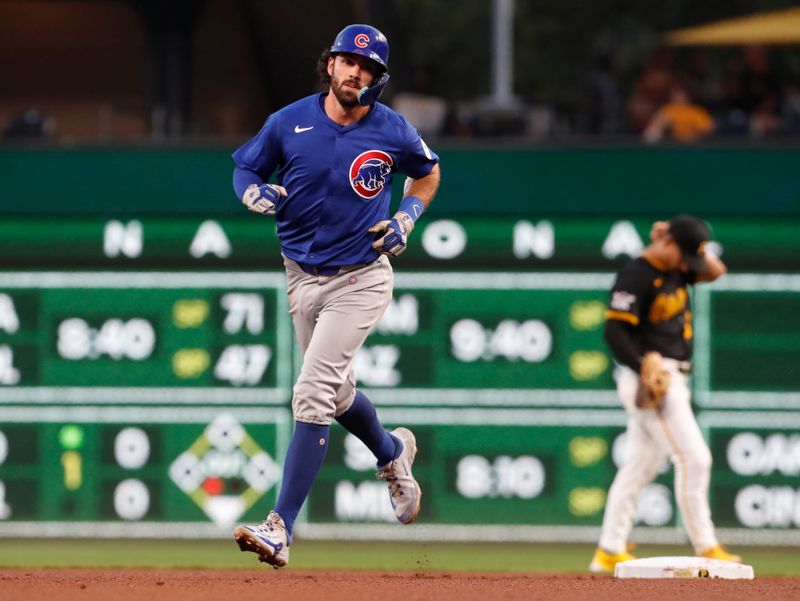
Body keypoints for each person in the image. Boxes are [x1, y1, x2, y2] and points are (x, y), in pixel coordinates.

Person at [229, 23, 441, 569]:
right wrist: (252, 189)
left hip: (362, 276)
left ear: (378, 78)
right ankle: (393, 453)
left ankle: (280, 528)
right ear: (330, 65)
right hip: (301, 275)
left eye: (369, 68)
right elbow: (245, 165)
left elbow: (428, 172)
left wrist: (407, 216)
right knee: (339, 395)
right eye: (350, 62)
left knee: (312, 392)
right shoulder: (289, 120)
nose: (357, 73)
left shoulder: (391, 129)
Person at [589, 214, 740, 574]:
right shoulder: (636, 274)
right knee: (695, 458)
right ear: (669, 244)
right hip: (652, 381)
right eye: (683, 252)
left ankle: (609, 549)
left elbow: (716, 271)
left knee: (639, 467)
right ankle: (707, 545)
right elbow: (614, 332)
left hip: (671, 377)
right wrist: (643, 366)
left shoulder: (678, 267)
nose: (688, 263)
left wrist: (690, 248)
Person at [642, 85, 714, 144]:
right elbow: (654, 127)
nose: (678, 98)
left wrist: (693, 133)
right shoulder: (667, 110)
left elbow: (708, 129)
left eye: (681, 95)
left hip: (693, 145)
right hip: (671, 143)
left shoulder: (696, 111)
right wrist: (665, 126)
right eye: (676, 95)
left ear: (687, 97)